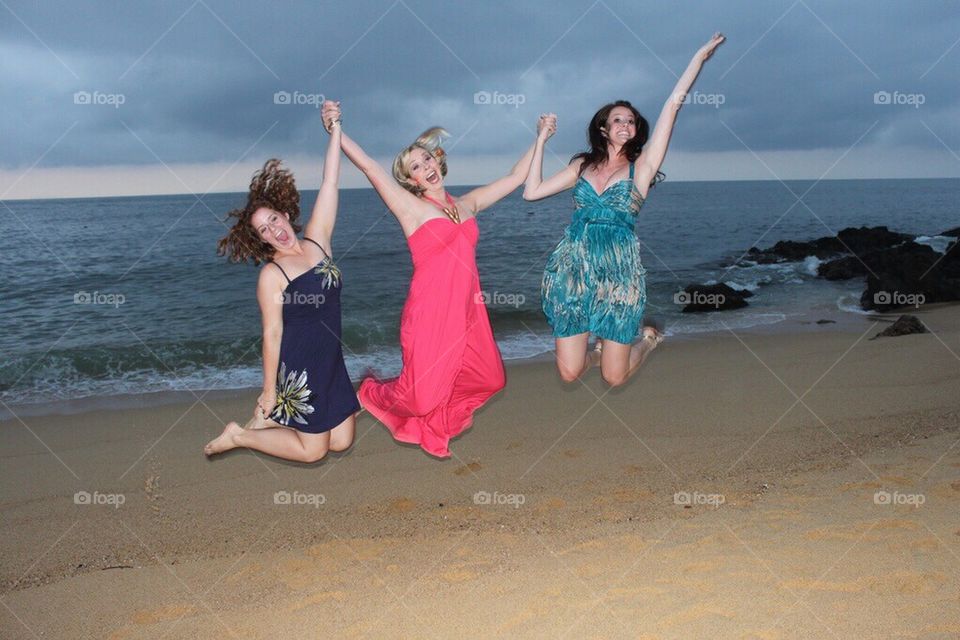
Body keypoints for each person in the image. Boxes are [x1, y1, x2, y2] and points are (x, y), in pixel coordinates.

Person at [321, 99, 553, 458]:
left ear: (438, 160)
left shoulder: (467, 204)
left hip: (468, 311)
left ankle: (432, 412)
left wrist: (540, 138)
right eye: (416, 166)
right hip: (429, 314)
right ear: (410, 180)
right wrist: (335, 128)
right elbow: (369, 166)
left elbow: (515, 177)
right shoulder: (411, 209)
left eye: (427, 159)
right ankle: (369, 393)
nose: (426, 167)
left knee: (491, 378)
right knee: (420, 399)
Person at [524, 33, 725, 387]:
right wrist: (541, 139)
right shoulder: (582, 166)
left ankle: (648, 340)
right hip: (573, 268)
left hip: (619, 273)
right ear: (603, 129)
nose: (625, 125)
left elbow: (672, 106)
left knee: (614, 378)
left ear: (635, 130)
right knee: (570, 373)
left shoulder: (641, 168)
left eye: (631, 121)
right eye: (617, 120)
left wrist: (698, 58)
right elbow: (532, 192)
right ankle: (599, 351)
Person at [204, 112, 359, 462]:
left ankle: (275, 423)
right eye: (264, 230)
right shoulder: (272, 275)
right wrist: (269, 391)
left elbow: (330, 182)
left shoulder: (317, 240)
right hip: (301, 366)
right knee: (313, 452)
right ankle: (240, 435)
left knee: (341, 440)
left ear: (285, 215)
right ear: (262, 240)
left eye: (273, 219)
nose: (274, 230)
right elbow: (272, 334)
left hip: (331, 360)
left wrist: (335, 129)